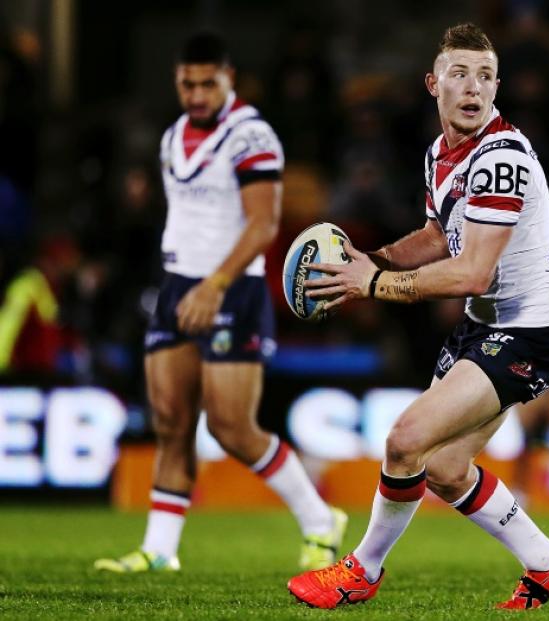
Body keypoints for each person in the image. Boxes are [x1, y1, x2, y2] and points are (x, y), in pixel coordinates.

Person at [286, 23, 549, 610]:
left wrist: (373, 283)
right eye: (459, 74)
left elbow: (471, 271)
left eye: (485, 76)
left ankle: (361, 571)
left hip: (528, 330)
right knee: (446, 468)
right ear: (433, 84)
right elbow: (436, 234)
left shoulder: (502, 158)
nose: (473, 88)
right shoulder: (441, 154)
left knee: (405, 441)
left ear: (497, 87)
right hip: (487, 326)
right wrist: (372, 258)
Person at [95, 32, 346, 573]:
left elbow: (263, 224)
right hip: (178, 286)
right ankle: (160, 549)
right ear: (177, 81)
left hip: (232, 289)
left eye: (209, 82)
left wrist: (215, 285)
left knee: (231, 428)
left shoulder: (250, 136)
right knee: (170, 419)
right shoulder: (172, 137)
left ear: (230, 79)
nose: (197, 93)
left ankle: (321, 519)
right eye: (188, 83)